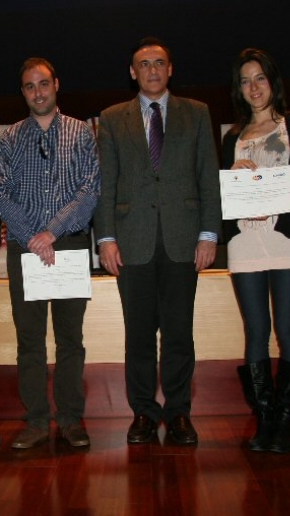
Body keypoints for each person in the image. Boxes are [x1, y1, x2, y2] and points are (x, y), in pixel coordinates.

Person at [94, 37, 222, 445]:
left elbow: (208, 177)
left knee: (180, 333)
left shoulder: (197, 114)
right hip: (131, 243)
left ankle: (179, 413)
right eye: (143, 64)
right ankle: (144, 414)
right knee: (139, 334)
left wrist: (208, 233)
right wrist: (106, 239)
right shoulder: (113, 119)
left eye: (159, 63)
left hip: (185, 240)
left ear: (170, 69)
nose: (152, 70)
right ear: (133, 72)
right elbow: (105, 183)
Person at [0, 58, 101, 449]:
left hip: (68, 244)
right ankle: (37, 420)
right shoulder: (9, 139)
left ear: (56, 84)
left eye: (43, 83)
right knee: (30, 341)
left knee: (71, 339)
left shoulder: (81, 133)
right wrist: (32, 237)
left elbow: (91, 190)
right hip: (25, 249)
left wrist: (50, 232)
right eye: (29, 86)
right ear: (22, 92)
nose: (37, 92)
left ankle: (71, 419)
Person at [221, 48, 290, 453]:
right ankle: (264, 421)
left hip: (285, 241)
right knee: (256, 332)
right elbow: (225, 195)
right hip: (245, 243)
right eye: (245, 81)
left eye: (259, 78)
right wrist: (233, 176)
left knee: (289, 329)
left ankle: (286, 424)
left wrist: (280, 196)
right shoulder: (231, 137)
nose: (253, 87)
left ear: (272, 81)